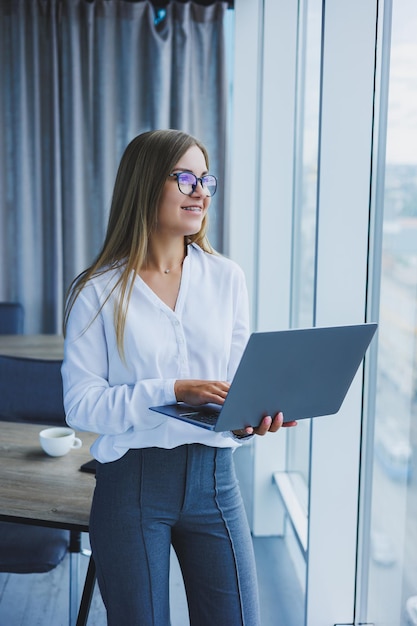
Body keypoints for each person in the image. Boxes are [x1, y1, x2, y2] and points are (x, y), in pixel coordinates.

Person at [61, 129, 296, 626]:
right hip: (132, 486)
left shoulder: (227, 278)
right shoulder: (98, 290)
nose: (201, 191)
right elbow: (81, 406)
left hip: (216, 482)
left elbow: (233, 387)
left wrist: (250, 418)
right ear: (145, 184)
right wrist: (171, 390)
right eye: (184, 177)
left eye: (205, 178)